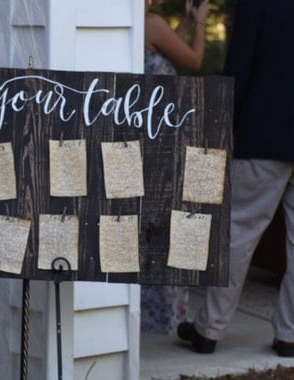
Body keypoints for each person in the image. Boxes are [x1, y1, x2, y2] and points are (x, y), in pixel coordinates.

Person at [177, 0, 294, 357]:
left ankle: (210, 329)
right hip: (269, 130)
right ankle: (290, 335)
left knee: (239, 233)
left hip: (264, 131)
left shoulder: (259, 4)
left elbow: (239, 66)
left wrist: (229, 121)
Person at [141, 0, 209, 334]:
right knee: (168, 224)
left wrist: (182, 23)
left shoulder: (138, 30)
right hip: (163, 136)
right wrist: (201, 24)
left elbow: (162, 56)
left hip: (142, 134)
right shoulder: (151, 23)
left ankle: (146, 311)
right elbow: (193, 60)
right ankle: (166, 314)